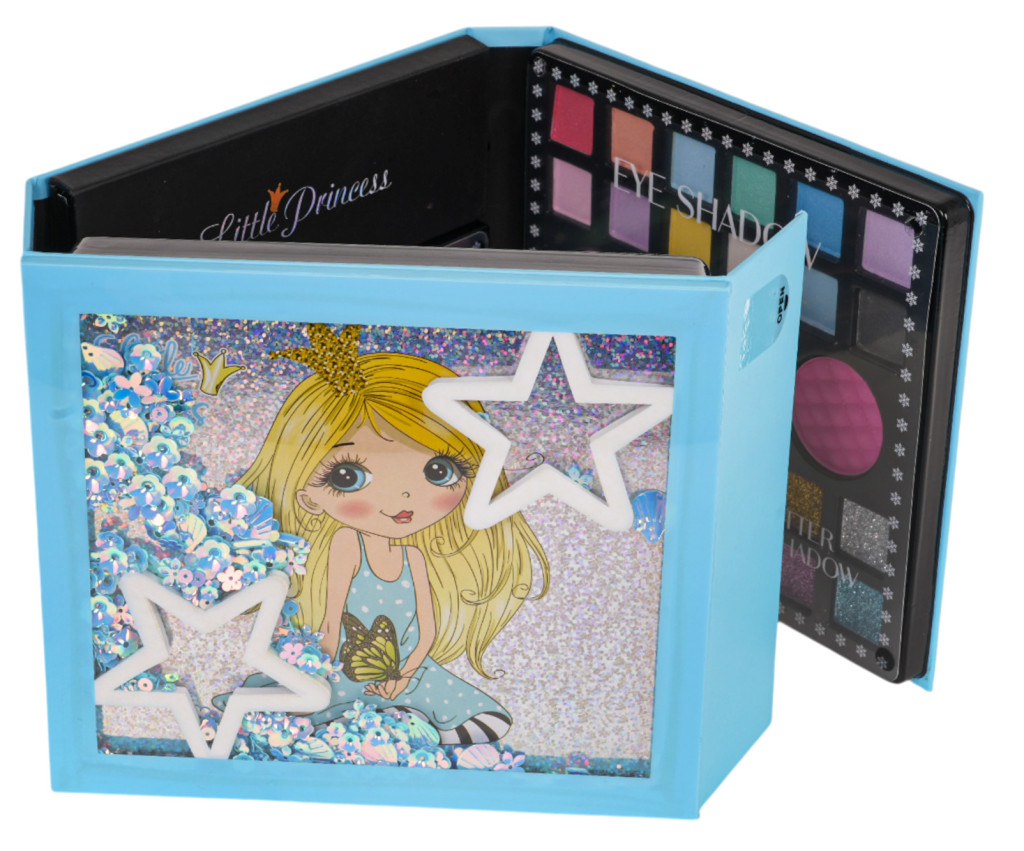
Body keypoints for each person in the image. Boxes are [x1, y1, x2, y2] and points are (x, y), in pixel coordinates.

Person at [238, 323, 548, 744]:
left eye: (439, 470)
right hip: (345, 664)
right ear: (309, 497)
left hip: (407, 668)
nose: (403, 496)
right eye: (348, 476)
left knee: (487, 723)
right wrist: (319, 674)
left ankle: (399, 715)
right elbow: (331, 620)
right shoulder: (348, 542)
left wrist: (406, 673)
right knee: (308, 715)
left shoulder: (413, 557)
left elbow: (426, 628)